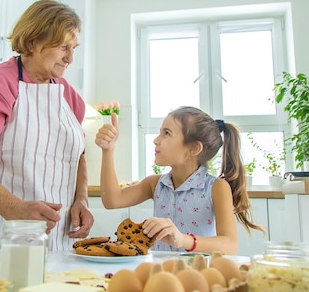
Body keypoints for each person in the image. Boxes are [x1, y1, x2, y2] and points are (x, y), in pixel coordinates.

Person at [0, 0, 94, 255]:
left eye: (74, 48)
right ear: (33, 42)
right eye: (64, 46)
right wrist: (17, 210)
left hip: (58, 240)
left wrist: (81, 199)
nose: (70, 58)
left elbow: (80, 156)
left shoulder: (70, 97)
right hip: (0, 233)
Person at [95, 105, 263, 255]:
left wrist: (182, 240)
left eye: (166, 133)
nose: (156, 140)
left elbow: (229, 245)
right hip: (161, 273)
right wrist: (108, 150)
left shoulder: (216, 187)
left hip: (200, 275)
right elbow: (112, 200)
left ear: (194, 148)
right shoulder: (155, 184)